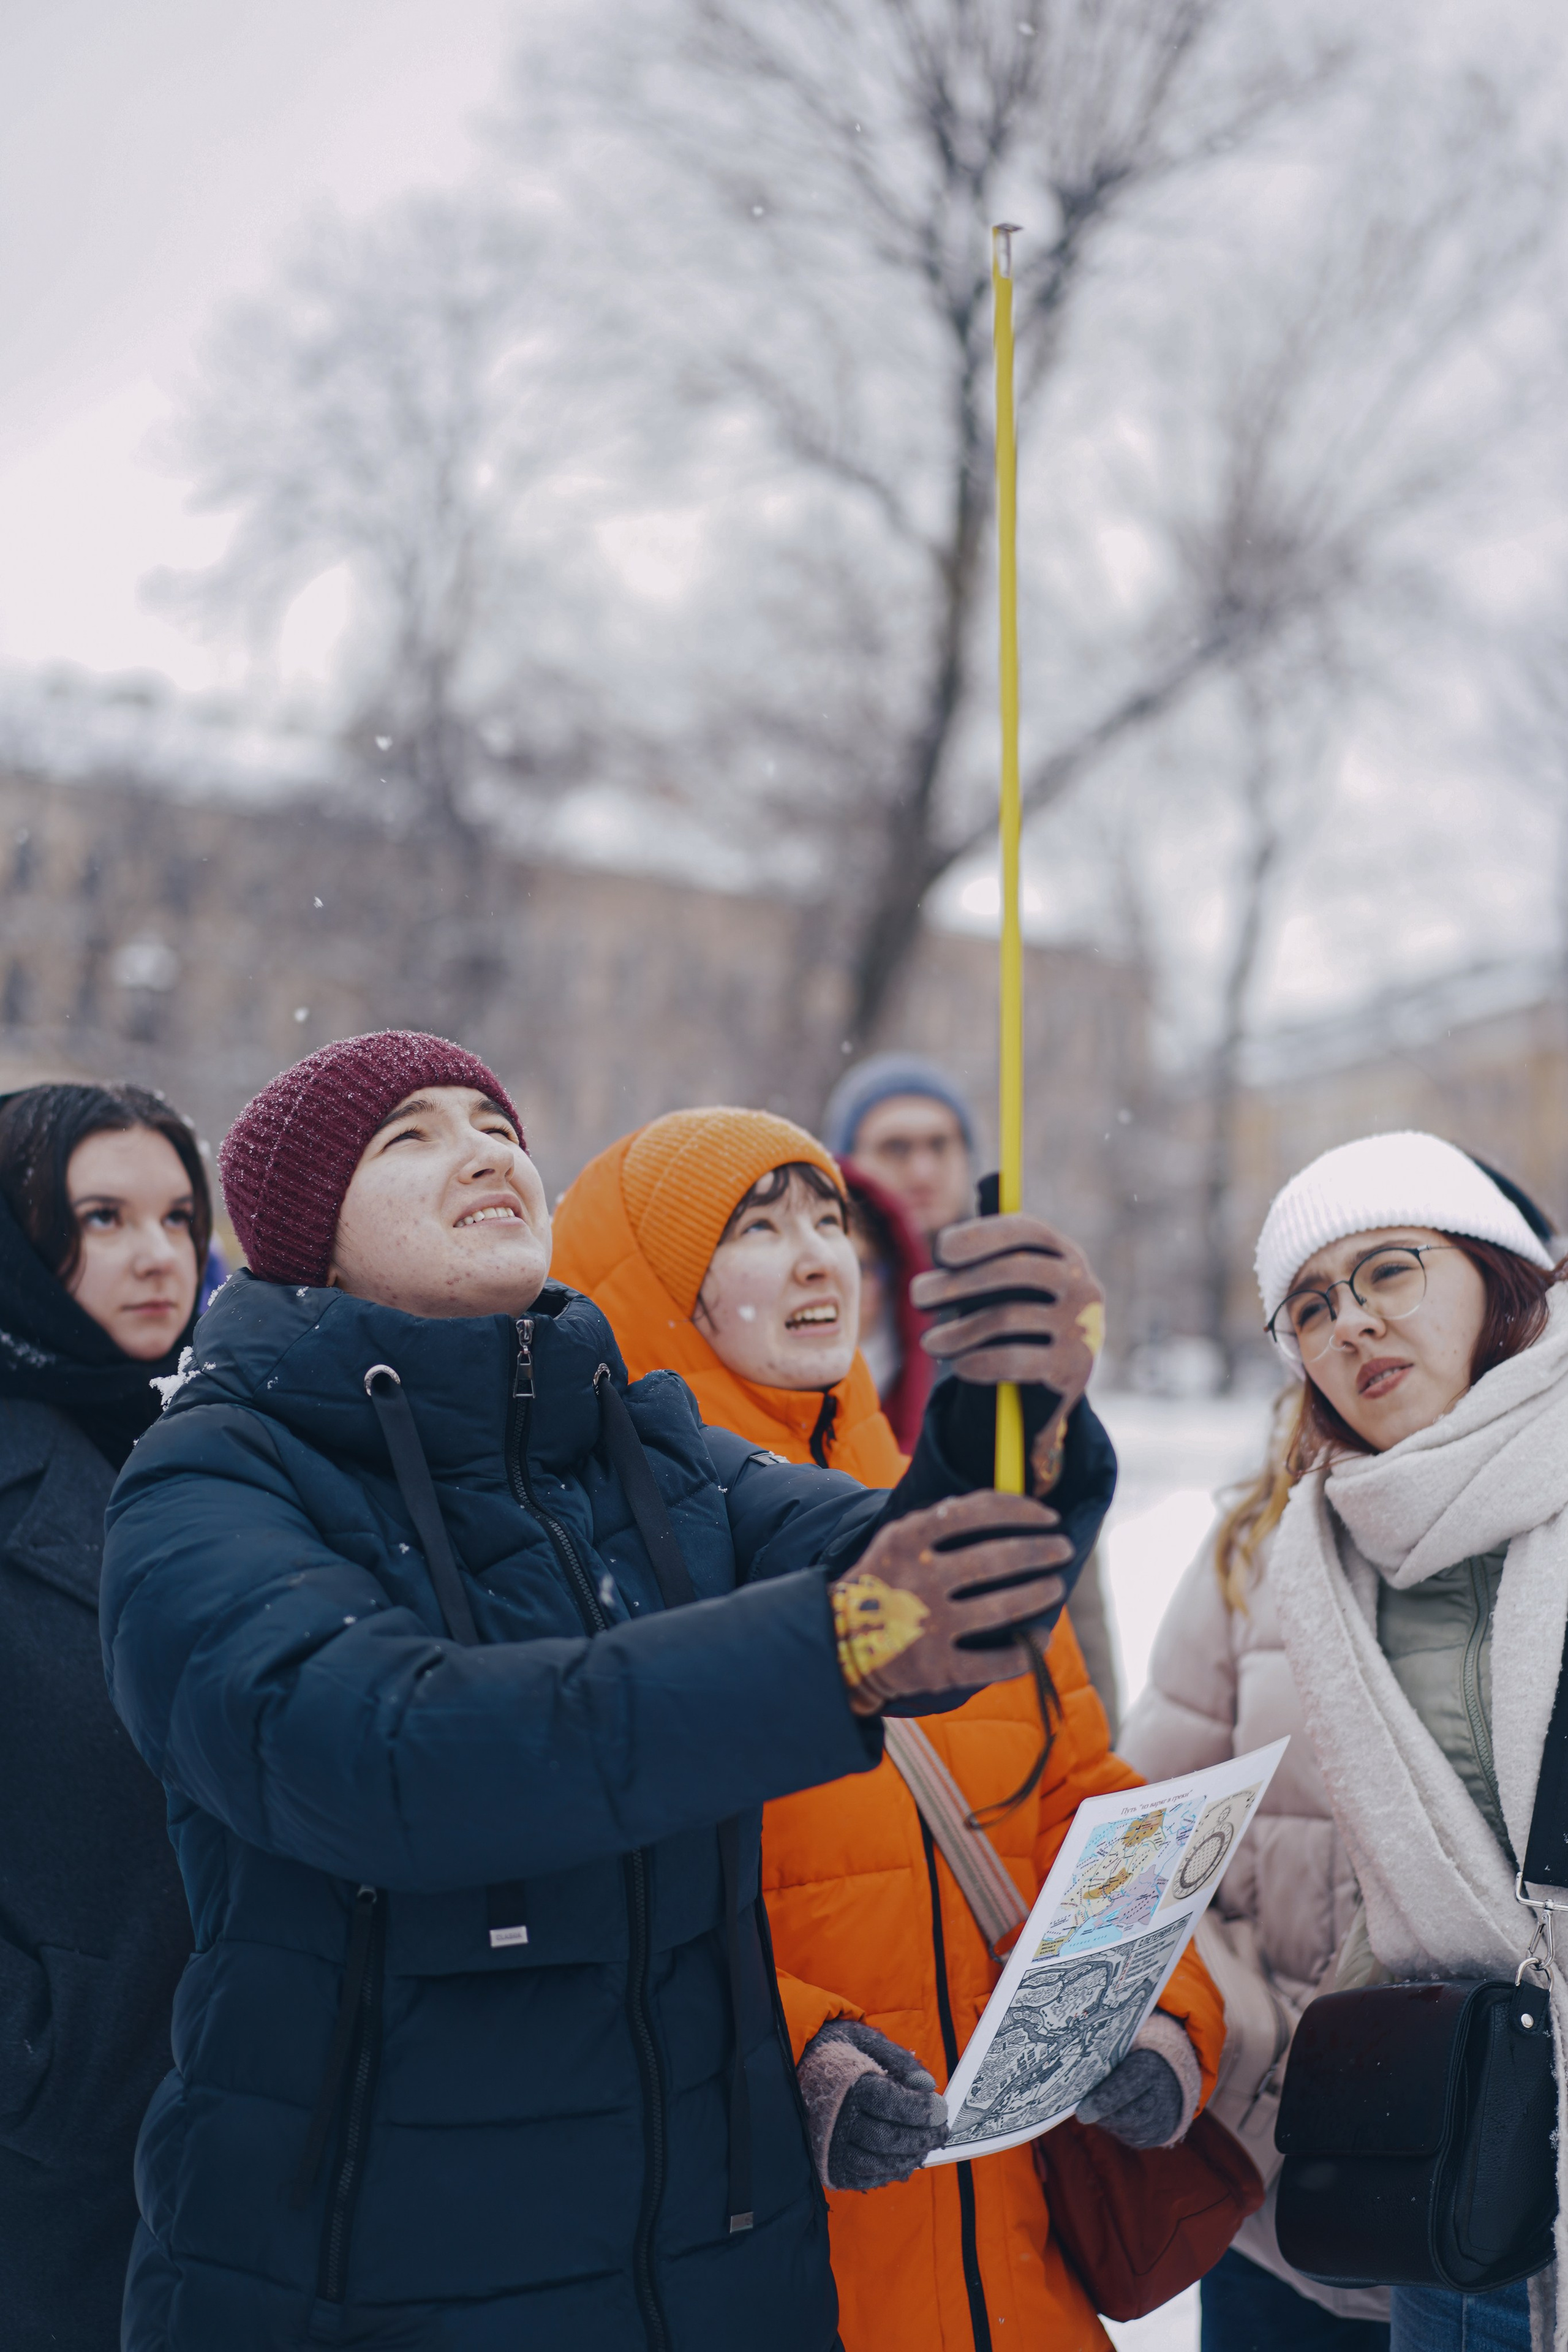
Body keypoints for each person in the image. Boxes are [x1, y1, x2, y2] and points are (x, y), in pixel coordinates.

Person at [100, 1033, 1116, 2352]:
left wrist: (1015, 1418)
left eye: (495, 1123)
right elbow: (388, 1755)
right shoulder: (209, 1481)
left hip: (713, 2274)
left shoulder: (639, 1447)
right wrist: (839, 1645)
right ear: (310, 1236)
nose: (481, 1148)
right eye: (409, 1135)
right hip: (361, 2283)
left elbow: (929, 1580)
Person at [552, 1104, 1226, 2352]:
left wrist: (1158, 2015)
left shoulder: (936, 1525)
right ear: (639, 1284)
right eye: (754, 1230)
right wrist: (800, 2057)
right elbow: (606, 1918)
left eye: (830, 1222)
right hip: (783, 2277)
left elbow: (1077, 1799)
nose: (818, 1257)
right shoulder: (595, 1572)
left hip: (1020, 2281)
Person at [1243, 1130, 1568, 2352]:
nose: (1352, 1326)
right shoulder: (1322, 1553)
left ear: (1493, 1269)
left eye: (1388, 1270)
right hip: (1463, 2181)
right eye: (1311, 1307)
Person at [0, 1082, 207, 2352]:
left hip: (223, 2135)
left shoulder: (211, 1457)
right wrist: (35, 2058)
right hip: (49, 2158)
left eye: (180, 1216)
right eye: (102, 1215)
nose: (156, 1255)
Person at [1120, 1389, 1390, 2351]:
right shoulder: (1253, 1548)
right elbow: (1151, 1851)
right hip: (1272, 2175)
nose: (1362, 1326)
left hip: (1503, 2192)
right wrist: (1235, 2049)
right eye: (1317, 1302)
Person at [826, 1052, 1121, 1732]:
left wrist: (1097, 1717)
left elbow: (1069, 1555)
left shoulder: (1012, 1308)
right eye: (895, 1147)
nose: (923, 1170)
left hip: (1006, 1697)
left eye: (941, 1145)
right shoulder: (813, 1307)